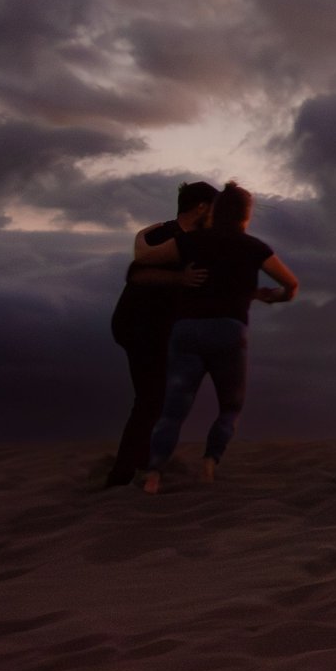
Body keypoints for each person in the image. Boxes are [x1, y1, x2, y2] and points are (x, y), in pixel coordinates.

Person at [142, 182, 299, 494]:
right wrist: (273, 297)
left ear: (215, 211)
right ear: (246, 215)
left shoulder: (190, 241)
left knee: (173, 411)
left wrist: (146, 236)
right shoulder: (254, 247)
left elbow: (146, 257)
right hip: (228, 332)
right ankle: (209, 462)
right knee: (230, 407)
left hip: (187, 330)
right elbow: (291, 284)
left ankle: (154, 475)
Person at [105, 181, 215, 487]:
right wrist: (180, 278)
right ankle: (122, 473)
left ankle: (139, 463)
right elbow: (136, 273)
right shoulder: (163, 234)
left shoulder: (188, 239)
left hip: (158, 330)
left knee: (157, 397)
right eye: (214, 209)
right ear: (201, 207)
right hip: (138, 326)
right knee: (150, 398)